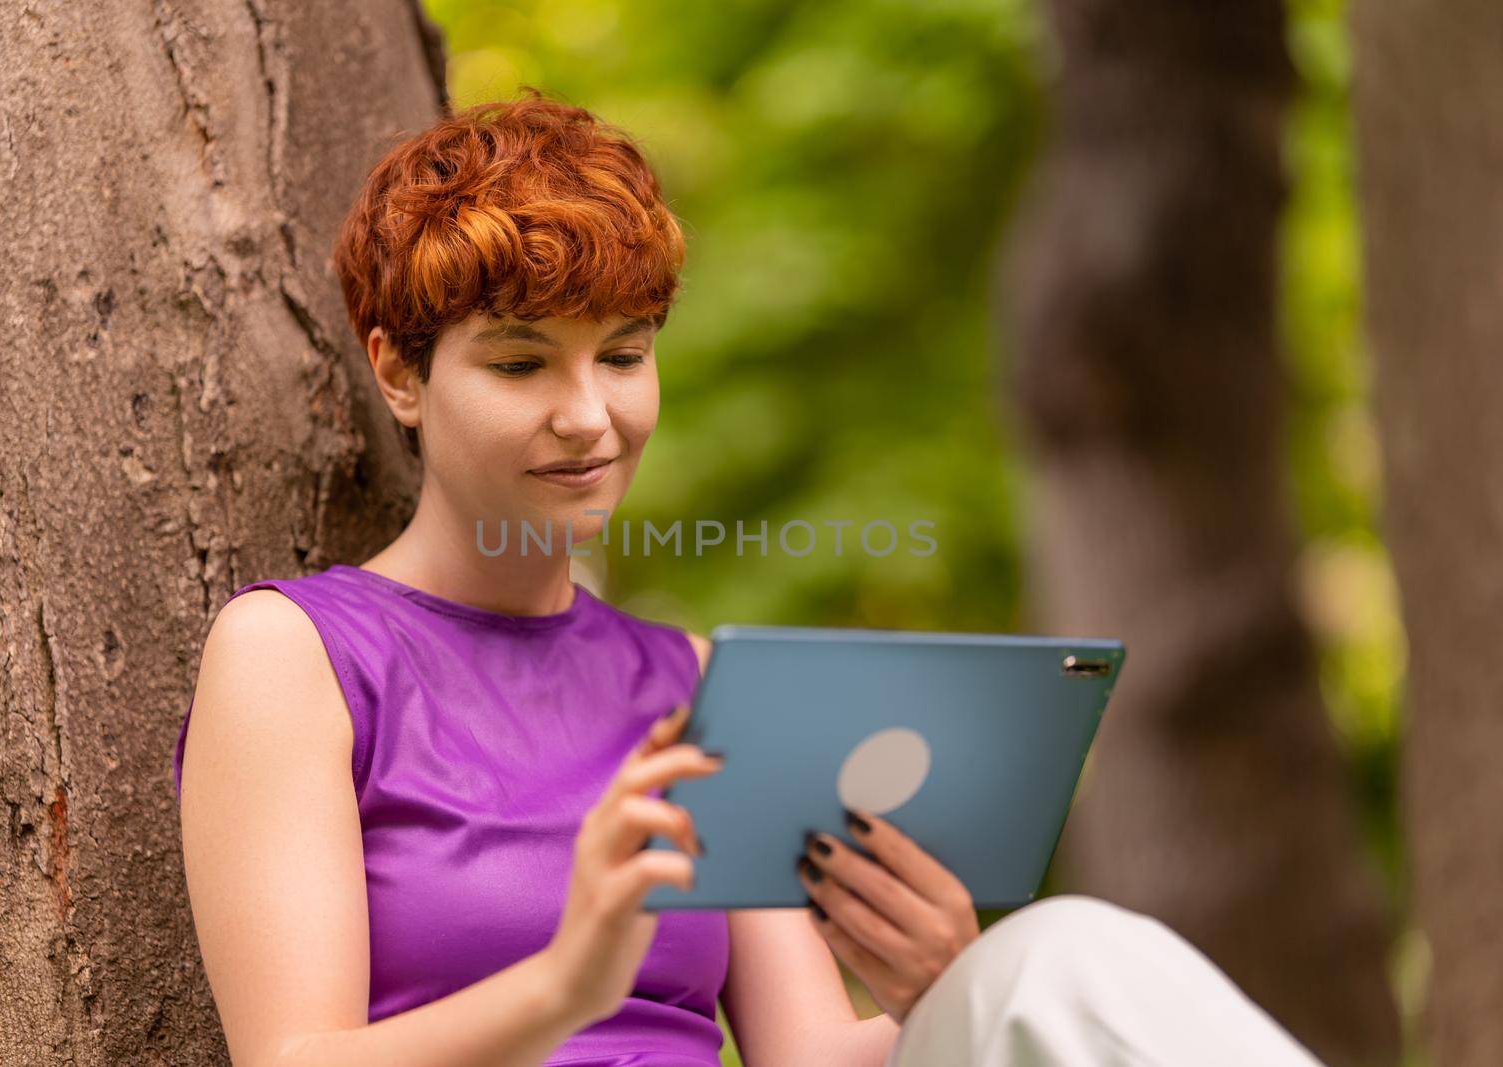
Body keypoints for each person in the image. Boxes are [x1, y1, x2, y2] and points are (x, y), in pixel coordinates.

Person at [172, 89, 1325, 1067]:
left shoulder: (693, 682)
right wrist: (564, 982)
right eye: (523, 362)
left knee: (1064, 950)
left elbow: (805, 1054)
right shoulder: (294, 655)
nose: (589, 417)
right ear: (401, 373)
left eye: (623, 355)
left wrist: (953, 988)